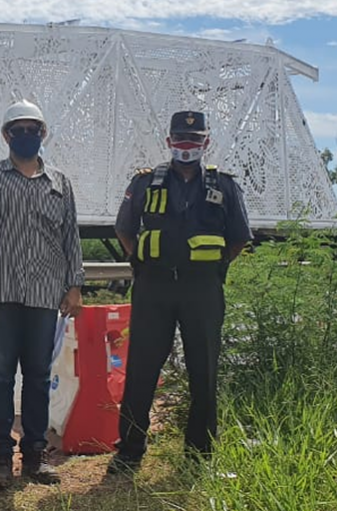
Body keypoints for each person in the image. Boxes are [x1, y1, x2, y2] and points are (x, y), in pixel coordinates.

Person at [108, 110, 252, 475]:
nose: (187, 147)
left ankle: (200, 454)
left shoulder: (225, 185)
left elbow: (238, 238)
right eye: (181, 140)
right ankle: (129, 451)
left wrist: (213, 269)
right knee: (141, 369)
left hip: (201, 288)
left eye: (194, 140)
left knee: (204, 371)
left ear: (206, 142)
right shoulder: (144, 183)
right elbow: (124, 229)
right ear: (169, 142)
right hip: (154, 286)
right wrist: (140, 261)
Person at [0, 99, 84, 489]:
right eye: (19, 130)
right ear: (6, 136)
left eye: (34, 129)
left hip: (45, 292)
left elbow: (70, 236)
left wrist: (75, 284)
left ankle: (34, 456)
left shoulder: (59, 184)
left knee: (38, 375)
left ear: (43, 134)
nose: (26, 136)